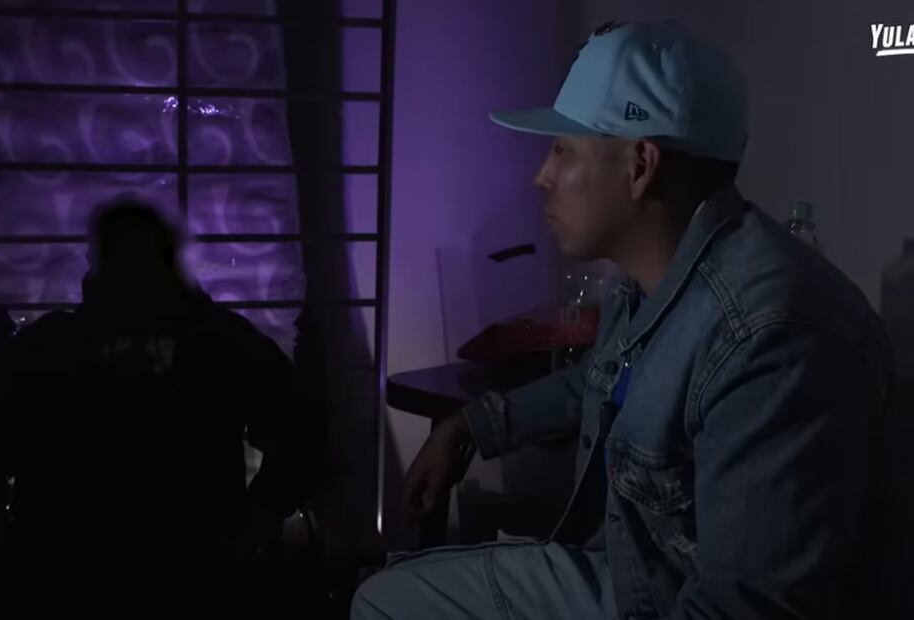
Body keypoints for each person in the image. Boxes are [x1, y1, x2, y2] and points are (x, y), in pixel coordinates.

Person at [353, 20, 910, 619]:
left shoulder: (773, 337)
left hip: (668, 600)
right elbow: (603, 379)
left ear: (640, 164)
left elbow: (742, 609)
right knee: (386, 598)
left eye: (563, 148)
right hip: (638, 577)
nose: (542, 175)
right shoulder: (652, 281)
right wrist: (471, 424)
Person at [0, 196, 320, 615]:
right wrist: (263, 511)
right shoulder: (221, 340)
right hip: (194, 564)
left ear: (96, 260)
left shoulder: (53, 343)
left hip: (71, 565)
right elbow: (301, 430)